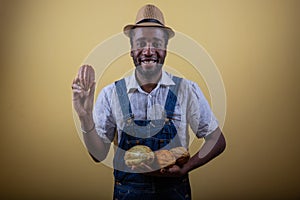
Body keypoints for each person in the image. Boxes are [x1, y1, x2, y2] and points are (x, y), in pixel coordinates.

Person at [72, 4, 226, 200]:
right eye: (141, 43)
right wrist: (85, 117)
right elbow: (98, 155)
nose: (148, 50)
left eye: (156, 43)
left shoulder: (186, 90)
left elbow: (217, 140)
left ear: (166, 48)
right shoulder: (111, 94)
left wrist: (185, 168)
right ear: (131, 49)